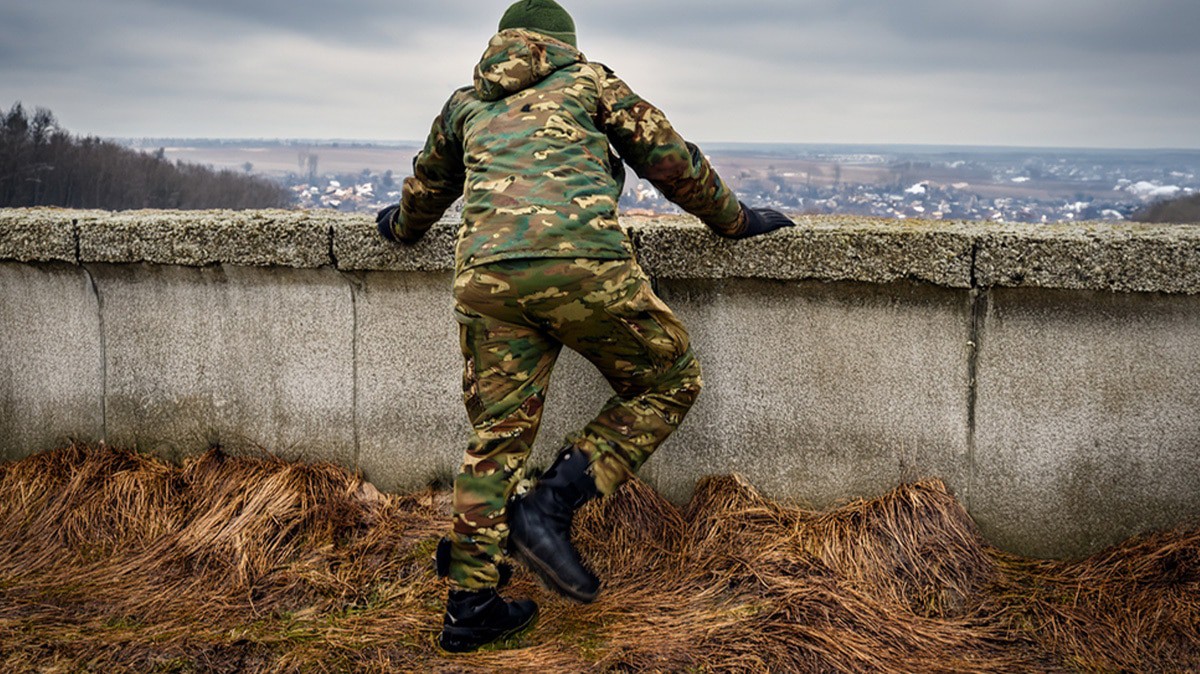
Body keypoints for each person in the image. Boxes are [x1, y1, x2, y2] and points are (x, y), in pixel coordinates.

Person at [376, 0, 794, 653]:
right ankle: (550, 506)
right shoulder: (590, 80)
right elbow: (669, 158)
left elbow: (429, 186)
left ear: (503, 43)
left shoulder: (465, 103)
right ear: (563, 44)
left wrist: (398, 229)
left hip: (486, 280)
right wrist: (736, 221)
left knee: (495, 437)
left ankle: (469, 607)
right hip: (581, 267)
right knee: (669, 378)